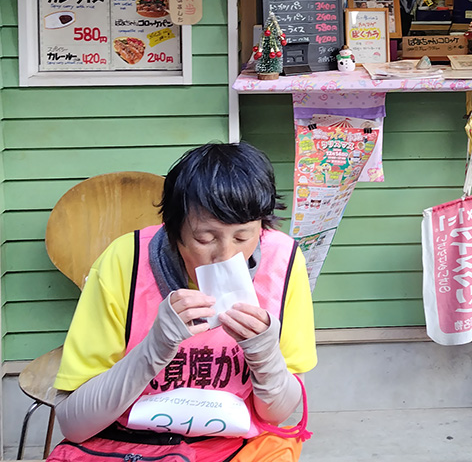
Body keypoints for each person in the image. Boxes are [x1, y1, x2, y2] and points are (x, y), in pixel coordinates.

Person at [51, 143, 317, 462]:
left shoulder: (282, 260)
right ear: (173, 230)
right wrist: (155, 347)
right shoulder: (125, 260)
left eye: (243, 238)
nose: (226, 256)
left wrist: (265, 353)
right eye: (205, 239)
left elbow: (276, 416)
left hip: (236, 446)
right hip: (130, 444)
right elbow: (75, 424)